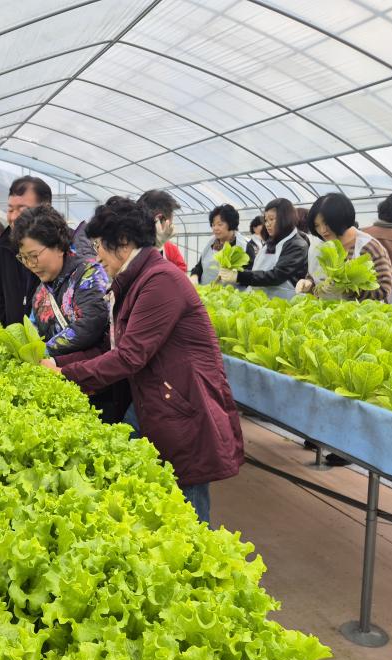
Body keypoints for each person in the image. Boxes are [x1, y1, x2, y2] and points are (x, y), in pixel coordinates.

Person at [42, 197, 244, 524]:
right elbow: (113, 349)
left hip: (183, 407)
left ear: (122, 242)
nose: (96, 257)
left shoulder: (159, 280)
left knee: (188, 512)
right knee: (151, 495)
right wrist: (60, 366)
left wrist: (66, 375)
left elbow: (129, 356)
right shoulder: (137, 279)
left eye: (98, 247)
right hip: (156, 402)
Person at [12, 206, 108, 356]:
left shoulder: (90, 274)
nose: (30, 264)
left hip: (87, 374)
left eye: (33, 255)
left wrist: (43, 351)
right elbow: (33, 328)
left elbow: (90, 324)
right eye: (23, 258)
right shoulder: (41, 291)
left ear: (58, 246)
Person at [295, 193, 392, 302]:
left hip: (360, 316)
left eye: (327, 223)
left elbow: (383, 290)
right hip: (327, 314)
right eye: (317, 225)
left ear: (342, 218)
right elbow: (314, 277)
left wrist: (347, 290)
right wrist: (308, 284)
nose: (322, 230)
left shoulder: (369, 247)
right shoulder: (320, 246)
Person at [218, 198, 308, 299]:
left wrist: (239, 276)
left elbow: (277, 275)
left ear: (285, 218)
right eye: (266, 220)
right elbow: (259, 268)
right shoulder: (271, 242)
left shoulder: (297, 245)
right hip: (263, 300)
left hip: (285, 304)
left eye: (272, 219)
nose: (267, 224)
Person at [0, 176, 48, 326]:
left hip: (51, 345)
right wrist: (4, 332)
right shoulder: (4, 248)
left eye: (22, 210)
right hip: (16, 341)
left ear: (46, 209)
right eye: (10, 209)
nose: (14, 216)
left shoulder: (61, 246)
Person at [190, 204, 256, 285]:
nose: (215, 228)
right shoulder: (211, 243)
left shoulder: (244, 246)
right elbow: (200, 266)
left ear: (231, 224)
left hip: (232, 296)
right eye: (213, 225)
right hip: (206, 294)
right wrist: (194, 276)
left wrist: (237, 276)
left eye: (220, 224)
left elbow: (251, 275)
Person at [137, 189, 188, 273]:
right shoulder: (132, 249)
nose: (171, 227)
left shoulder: (169, 247)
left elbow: (182, 269)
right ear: (159, 219)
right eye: (170, 224)